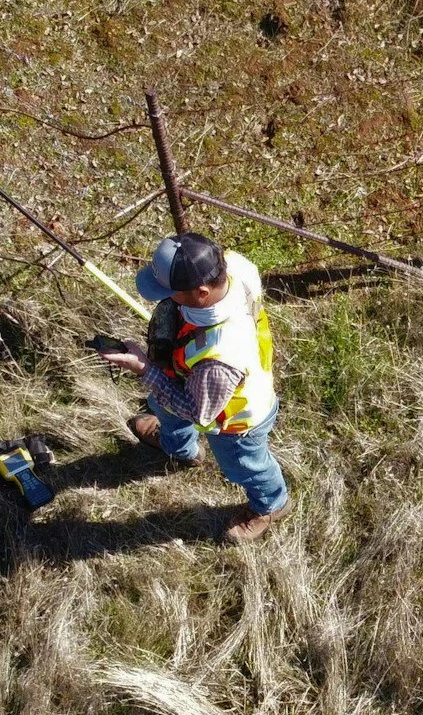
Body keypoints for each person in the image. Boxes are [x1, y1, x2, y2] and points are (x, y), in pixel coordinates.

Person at [97, 232, 291, 544]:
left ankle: (270, 504)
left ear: (201, 292)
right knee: (163, 406)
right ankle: (180, 450)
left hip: (235, 420)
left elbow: (196, 412)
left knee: (245, 466)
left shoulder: (220, 356)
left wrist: (143, 368)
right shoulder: (235, 267)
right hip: (189, 378)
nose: (163, 298)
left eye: (168, 291)